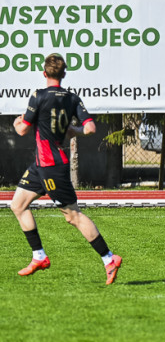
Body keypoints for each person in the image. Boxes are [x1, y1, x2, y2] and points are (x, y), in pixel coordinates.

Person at [10, 54, 122, 284]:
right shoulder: (72, 97)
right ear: (64, 74)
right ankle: (39, 256)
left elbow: (22, 130)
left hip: (51, 167)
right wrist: (73, 130)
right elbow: (90, 128)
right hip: (42, 165)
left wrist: (16, 123)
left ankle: (109, 258)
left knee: (73, 217)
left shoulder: (38, 96)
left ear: (44, 73)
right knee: (17, 205)